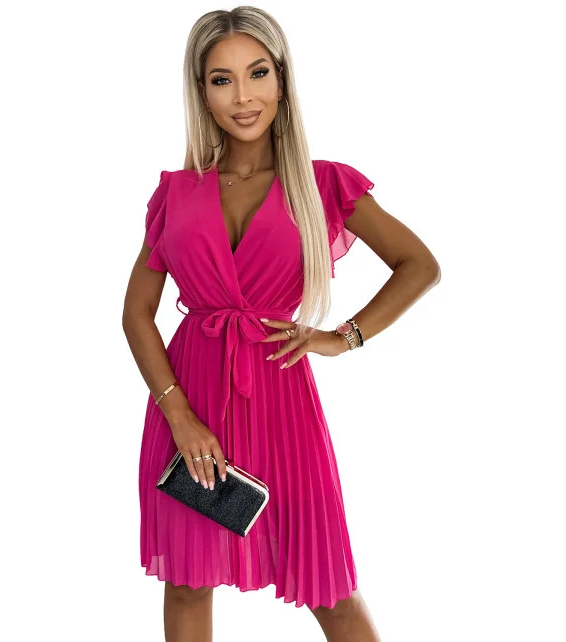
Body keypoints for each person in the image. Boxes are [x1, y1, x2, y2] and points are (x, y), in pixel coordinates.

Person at [122, 7, 440, 641]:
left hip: (281, 403)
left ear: (282, 78)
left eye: (258, 73)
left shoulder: (324, 184)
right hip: (188, 402)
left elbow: (419, 266)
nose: (243, 97)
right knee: (187, 584)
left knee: (329, 587)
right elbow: (136, 312)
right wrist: (178, 414)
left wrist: (342, 338)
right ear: (201, 91)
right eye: (222, 80)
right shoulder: (176, 193)